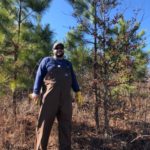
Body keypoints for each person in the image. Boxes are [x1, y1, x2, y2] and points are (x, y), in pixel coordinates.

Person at [31, 42, 83, 150]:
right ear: (53, 50)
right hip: (50, 99)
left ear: (63, 50)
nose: (59, 50)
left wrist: (77, 91)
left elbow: (73, 78)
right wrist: (36, 92)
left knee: (66, 126)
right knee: (44, 125)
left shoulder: (68, 64)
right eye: (56, 48)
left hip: (66, 100)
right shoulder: (47, 61)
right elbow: (39, 76)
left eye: (61, 48)